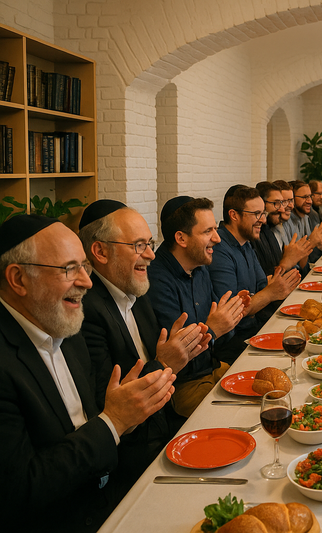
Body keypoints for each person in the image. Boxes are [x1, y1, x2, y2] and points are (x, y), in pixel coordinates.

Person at [0, 214, 176, 532]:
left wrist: (129, 412)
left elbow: (99, 419)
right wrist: (114, 422)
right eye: (70, 269)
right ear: (18, 279)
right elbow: (19, 490)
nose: (87, 281)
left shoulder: (66, 329)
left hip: (111, 497)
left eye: (85, 266)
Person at [79, 200, 211, 480]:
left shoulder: (136, 292)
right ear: (100, 251)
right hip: (130, 459)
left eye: (150, 243)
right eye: (139, 245)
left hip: (163, 429)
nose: (151, 255)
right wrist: (166, 363)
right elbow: (108, 403)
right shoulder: (87, 311)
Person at [147, 196, 246, 417]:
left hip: (211, 368)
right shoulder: (156, 279)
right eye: (207, 231)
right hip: (180, 387)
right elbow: (180, 358)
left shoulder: (199, 267)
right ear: (181, 238)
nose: (217, 238)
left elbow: (222, 334)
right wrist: (214, 330)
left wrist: (230, 318)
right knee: (240, 415)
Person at [208, 185, 301, 362]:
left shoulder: (246, 242)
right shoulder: (219, 249)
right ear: (234, 215)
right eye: (257, 214)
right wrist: (271, 292)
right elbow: (233, 313)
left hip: (254, 327)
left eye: (263, 214)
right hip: (232, 342)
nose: (263, 220)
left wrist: (279, 282)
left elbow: (262, 285)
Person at [253, 180, 313, 276]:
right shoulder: (257, 234)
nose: (283, 208)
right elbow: (268, 277)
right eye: (277, 203)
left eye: (290, 201)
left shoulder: (269, 230)